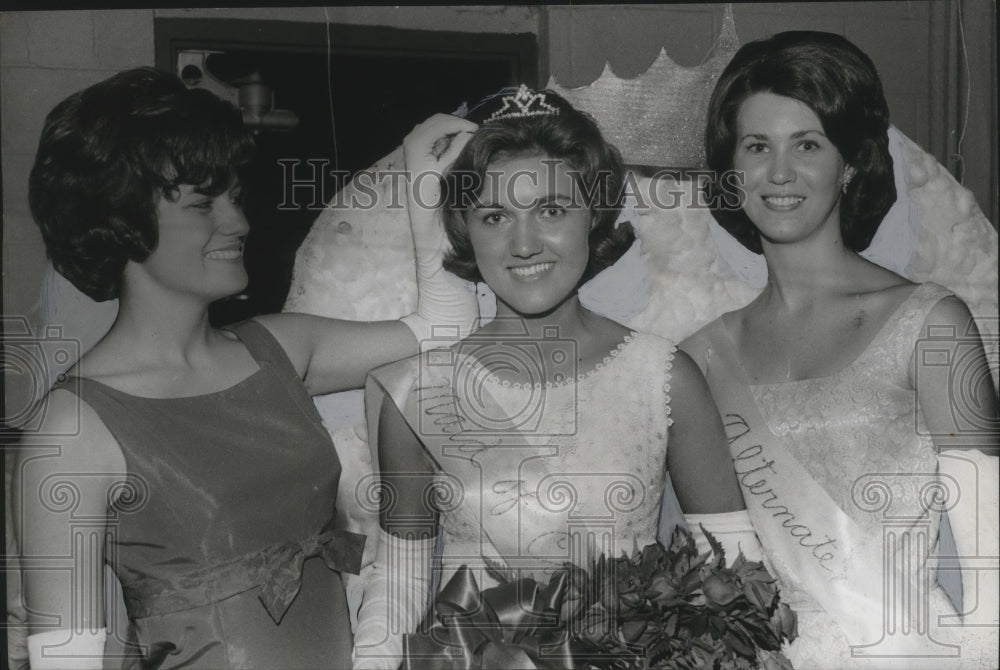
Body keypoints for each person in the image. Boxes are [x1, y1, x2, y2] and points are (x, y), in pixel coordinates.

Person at [11, 67, 478, 669]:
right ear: (120, 221)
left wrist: (424, 182)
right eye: (203, 204)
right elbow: (63, 661)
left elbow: (444, 328)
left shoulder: (278, 346)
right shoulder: (70, 428)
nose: (238, 222)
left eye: (234, 197)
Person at [352, 85, 759, 669]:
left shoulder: (664, 376)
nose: (524, 244)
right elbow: (399, 585)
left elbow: (733, 572)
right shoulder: (417, 393)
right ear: (465, 226)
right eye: (496, 216)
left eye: (551, 211)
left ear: (592, 214)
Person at [683, 31, 999, 669]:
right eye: (757, 146)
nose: (779, 172)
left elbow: (992, 569)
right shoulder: (699, 360)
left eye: (807, 144)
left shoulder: (932, 325)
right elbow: (725, 580)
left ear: (850, 163)